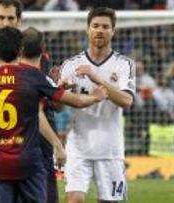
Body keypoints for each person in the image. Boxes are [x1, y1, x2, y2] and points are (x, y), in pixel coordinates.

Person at [0, 26, 108, 203]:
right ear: (20, 50)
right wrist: (96, 97)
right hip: (28, 161)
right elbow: (75, 101)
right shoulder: (33, 76)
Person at [60, 7, 136, 203]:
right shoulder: (70, 65)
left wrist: (96, 78)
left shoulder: (124, 64)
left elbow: (127, 101)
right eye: (95, 26)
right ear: (87, 29)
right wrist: (59, 92)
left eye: (105, 26)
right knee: (74, 200)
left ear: (113, 31)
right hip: (78, 148)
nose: (100, 30)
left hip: (110, 150)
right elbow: (58, 108)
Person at [20, 26, 61, 203]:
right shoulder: (41, 78)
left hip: (8, 145)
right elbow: (66, 103)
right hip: (37, 143)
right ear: (43, 50)